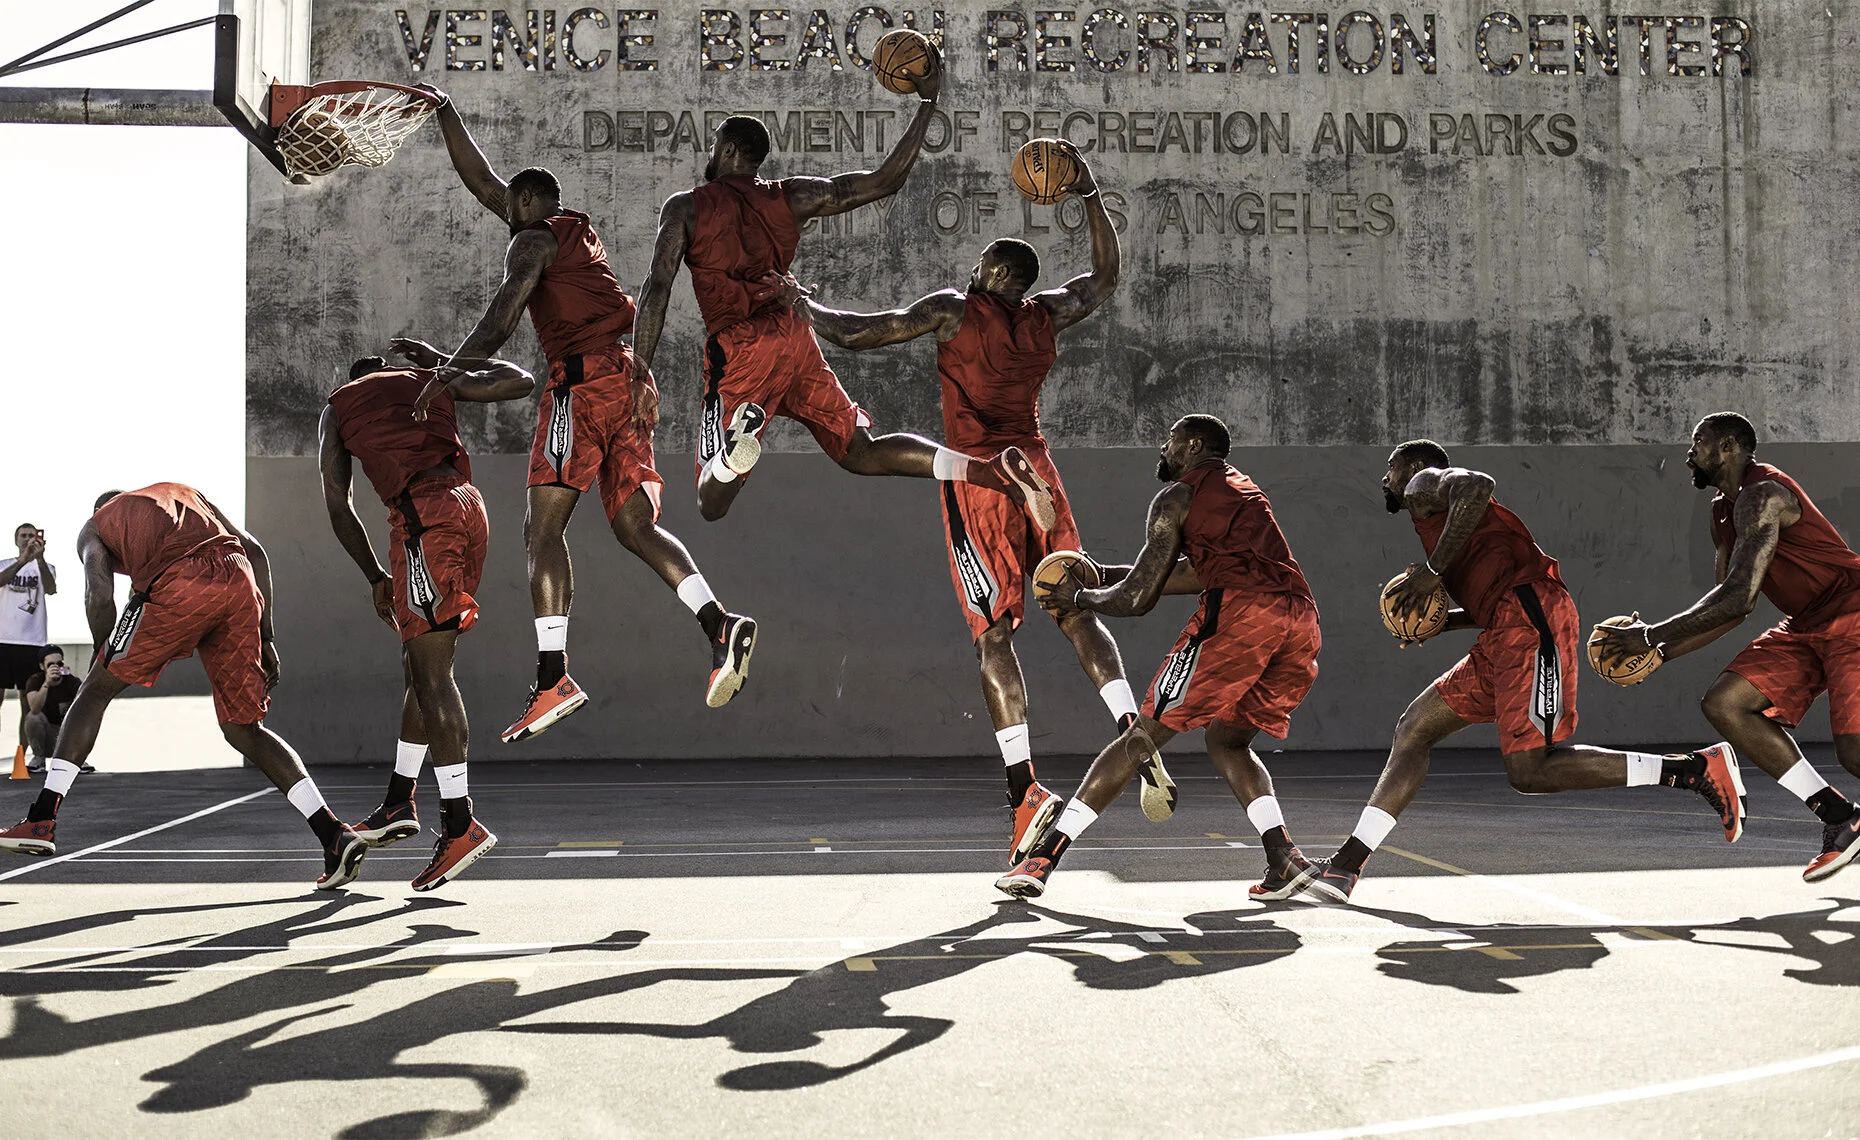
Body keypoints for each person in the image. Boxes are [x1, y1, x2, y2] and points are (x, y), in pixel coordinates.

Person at [790, 146, 1142, 861]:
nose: (972, 272)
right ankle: (1132, 723)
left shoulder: (956, 309)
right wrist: (1090, 192)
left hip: (982, 478)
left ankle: (1024, 787)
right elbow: (1105, 277)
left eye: (980, 264)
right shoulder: (1046, 316)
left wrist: (806, 307)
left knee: (994, 635)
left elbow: (866, 332)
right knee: (1074, 608)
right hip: (1039, 468)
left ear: (992, 276)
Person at [413, 85, 759, 744]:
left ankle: (552, 677)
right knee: (634, 525)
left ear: (523, 207)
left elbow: (502, 316)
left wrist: (449, 371)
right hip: (635, 381)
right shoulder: (570, 233)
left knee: (542, 530)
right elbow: (486, 184)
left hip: (582, 386)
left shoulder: (532, 244)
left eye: (507, 207)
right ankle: (719, 624)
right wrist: (443, 109)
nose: (500, 210)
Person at [1308, 440, 1744, 904]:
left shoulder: (1424, 483)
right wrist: (1442, 620)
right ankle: (1346, 867)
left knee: (1530, 771)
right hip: (1506, 626)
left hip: (1531, 620)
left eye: (1390, 468)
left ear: (1414, 466)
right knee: (1414, 728)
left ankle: (1693, 769)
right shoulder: (1445, 525)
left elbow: (1478, 485)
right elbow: (1494, 593)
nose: (1385, 479)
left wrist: (1432, 573)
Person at [629, 70, 1057, 538]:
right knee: (860, 451)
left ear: (729, 150)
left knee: (710, 499)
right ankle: (990, 472)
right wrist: (928, 103)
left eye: (715, 145)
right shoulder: (790, 196)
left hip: (741, 348)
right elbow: (884, 181)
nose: (710, 154)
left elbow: (657, 288)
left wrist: (639, 372)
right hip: (796, 332)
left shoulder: (685, 207)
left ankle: (736, 447)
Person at [998, 415, 1325, 901]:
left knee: (1140, 738)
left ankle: (1043, 857)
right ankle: (1284, 857)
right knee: (1230, 741)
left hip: (1241, 618)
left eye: (1169, 440)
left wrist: (1080, 599)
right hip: (1299, 621)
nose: (1162, 448)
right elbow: (1197, 572)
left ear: (1192, 444)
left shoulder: (1176, 496)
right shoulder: (1243, 490)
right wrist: (1102, 574)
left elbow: (1138, 599)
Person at [0, 484, 369, 889]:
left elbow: (99, 594)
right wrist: (267, 637)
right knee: (244, 728)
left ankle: (42, 818)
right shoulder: (185, 498)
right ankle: (333, 834)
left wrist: (102, 656)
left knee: (93, 692)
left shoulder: (96, 525)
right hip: (239, 582)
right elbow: (256, 551)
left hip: (183, 582)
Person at [1594, 413, 1860, 882]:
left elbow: (1740, 596)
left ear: (1730, 446)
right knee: (1726, 703)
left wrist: (1652, 635)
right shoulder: (1722, 510)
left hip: (1852, 613)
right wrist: (1660, 654)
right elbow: (1729, 607)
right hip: (1806, 624)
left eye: (1699, 441)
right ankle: (1840, 816)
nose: (1689, 452)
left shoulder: (1763, 495)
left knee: (1855, 752)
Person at [320, 352, 534, 889]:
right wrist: (446, 361)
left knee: (434, 675)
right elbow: (520, 380)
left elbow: (337, 501)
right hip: (469, 507)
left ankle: (460, 824)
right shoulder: (427, 379)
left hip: (423, 518)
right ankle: (399, 800)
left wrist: (374, 576)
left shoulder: (340, 406)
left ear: (355, 380)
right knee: (421, 662)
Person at [2, 523, 56, 768]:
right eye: (23, 536)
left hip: (32, 643)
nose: (27, 540)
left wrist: (39, 558)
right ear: (16, 540)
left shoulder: (47, 567)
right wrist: (22, 560)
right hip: (2, 641)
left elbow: (52, 589)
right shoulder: (5, 564)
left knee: (28, 704)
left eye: (32, 536)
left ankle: (21, 760)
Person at [22, 645, 82, 775]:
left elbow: (84, 711)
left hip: (65, 737)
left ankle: (77, 759)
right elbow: (35, 708)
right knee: (33, 718)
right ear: (42, 666)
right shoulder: (35, 680)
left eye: (59, 664)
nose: (56, 668)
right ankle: (39, 758)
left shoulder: (71, 681)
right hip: (46, 737)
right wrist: (47, 684)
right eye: (50, 664)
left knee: (82, 717)